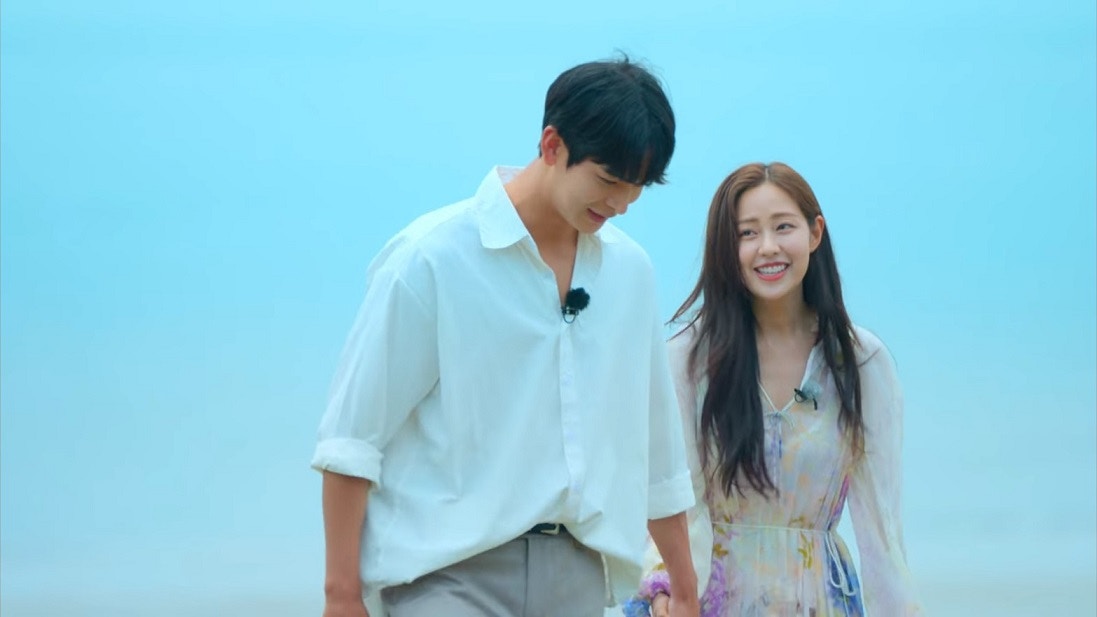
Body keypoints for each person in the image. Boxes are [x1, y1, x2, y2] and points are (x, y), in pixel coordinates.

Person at [312, 57, 700, 617]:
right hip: (447, 577)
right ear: (552, 146)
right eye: (608, 180)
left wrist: (684, 588)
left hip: (578, 577)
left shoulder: (629, 273)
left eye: (636, 188)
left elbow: (657, 449)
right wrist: (341, 595)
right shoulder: (432, 258)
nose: (619, 203)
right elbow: (352, 437)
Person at [627, 162, 923, 616]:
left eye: (783, 227)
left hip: (822, 601)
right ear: (726, 248)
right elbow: (672, 496)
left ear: (815, 233)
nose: (767, 247)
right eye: (747, 233)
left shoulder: (861, 363)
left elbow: (882, 528)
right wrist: (666, 588)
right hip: (714, 600)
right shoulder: (688, 360)